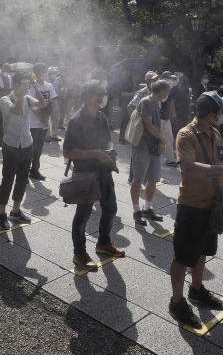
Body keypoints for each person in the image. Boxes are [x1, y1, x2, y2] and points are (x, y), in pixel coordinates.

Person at [168, 91, 223, 328]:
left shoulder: (214, 133)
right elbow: (189, 168)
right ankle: (177, 302)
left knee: (202, 251)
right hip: (191, 205)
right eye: (221, 111)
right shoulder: (185, 134)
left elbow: (217, 162)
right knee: (183, 257)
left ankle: (197, 289)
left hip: (212, 204)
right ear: (212, 114)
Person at [63, 81, 124, 270]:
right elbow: (67, 152)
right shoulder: (77, 120)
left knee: (110, 208)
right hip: (85, 174)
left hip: (104, 172)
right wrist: (95, 153)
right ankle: (79, 253)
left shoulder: (101, 117)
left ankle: (103, 243)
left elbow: (108, 140)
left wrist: (109, 150)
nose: (104, 97)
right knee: (83, 215)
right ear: (90, 96)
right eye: (101, 94)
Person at [0, 72, 45, 229]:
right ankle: (1, 214)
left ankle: (15, 211)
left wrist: (36, 85)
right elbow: (16, 111)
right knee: (8, 178)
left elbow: (42, 104)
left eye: (27, 84)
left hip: (26, 144)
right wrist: (22, 94)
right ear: (15, 84)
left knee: (23, 179)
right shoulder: (5, 99)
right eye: (24, 83)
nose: (26, 86)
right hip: (11, 144)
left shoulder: (27, 98)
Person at [129, 80, 170, 226]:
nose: (168, 94)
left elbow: (156, 126)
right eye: (167, 91)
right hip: (142, 145)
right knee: (138, 179)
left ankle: (147, 208)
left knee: (153, 179)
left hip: (153, 146)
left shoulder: (157, 103)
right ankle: (136, 210)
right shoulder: (146, 101)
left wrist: (159, 142)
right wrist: (162, 140)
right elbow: (148, 126)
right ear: (161, 91)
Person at [26, 63, 58, 180]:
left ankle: (34, 170)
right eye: (39, 71)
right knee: (32, 148)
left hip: (44, 123)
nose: (42, 74)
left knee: (39, 148)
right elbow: (30, 104)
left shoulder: (49, 85)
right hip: (34, 123)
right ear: (35, 72)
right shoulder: (31, 87)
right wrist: (41, 118)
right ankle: (26, 170)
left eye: (44, 71)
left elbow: (52, 101)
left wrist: (50, 117)